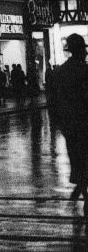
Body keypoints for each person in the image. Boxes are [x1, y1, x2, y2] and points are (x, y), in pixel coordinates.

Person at [48, 34, 88, 205]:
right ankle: (82, 193)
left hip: (69, 124)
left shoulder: (60, 72)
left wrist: (59, 122)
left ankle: (81, 190)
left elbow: (54, 100)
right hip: (83, 121)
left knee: (77, 159)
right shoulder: (84, 71)